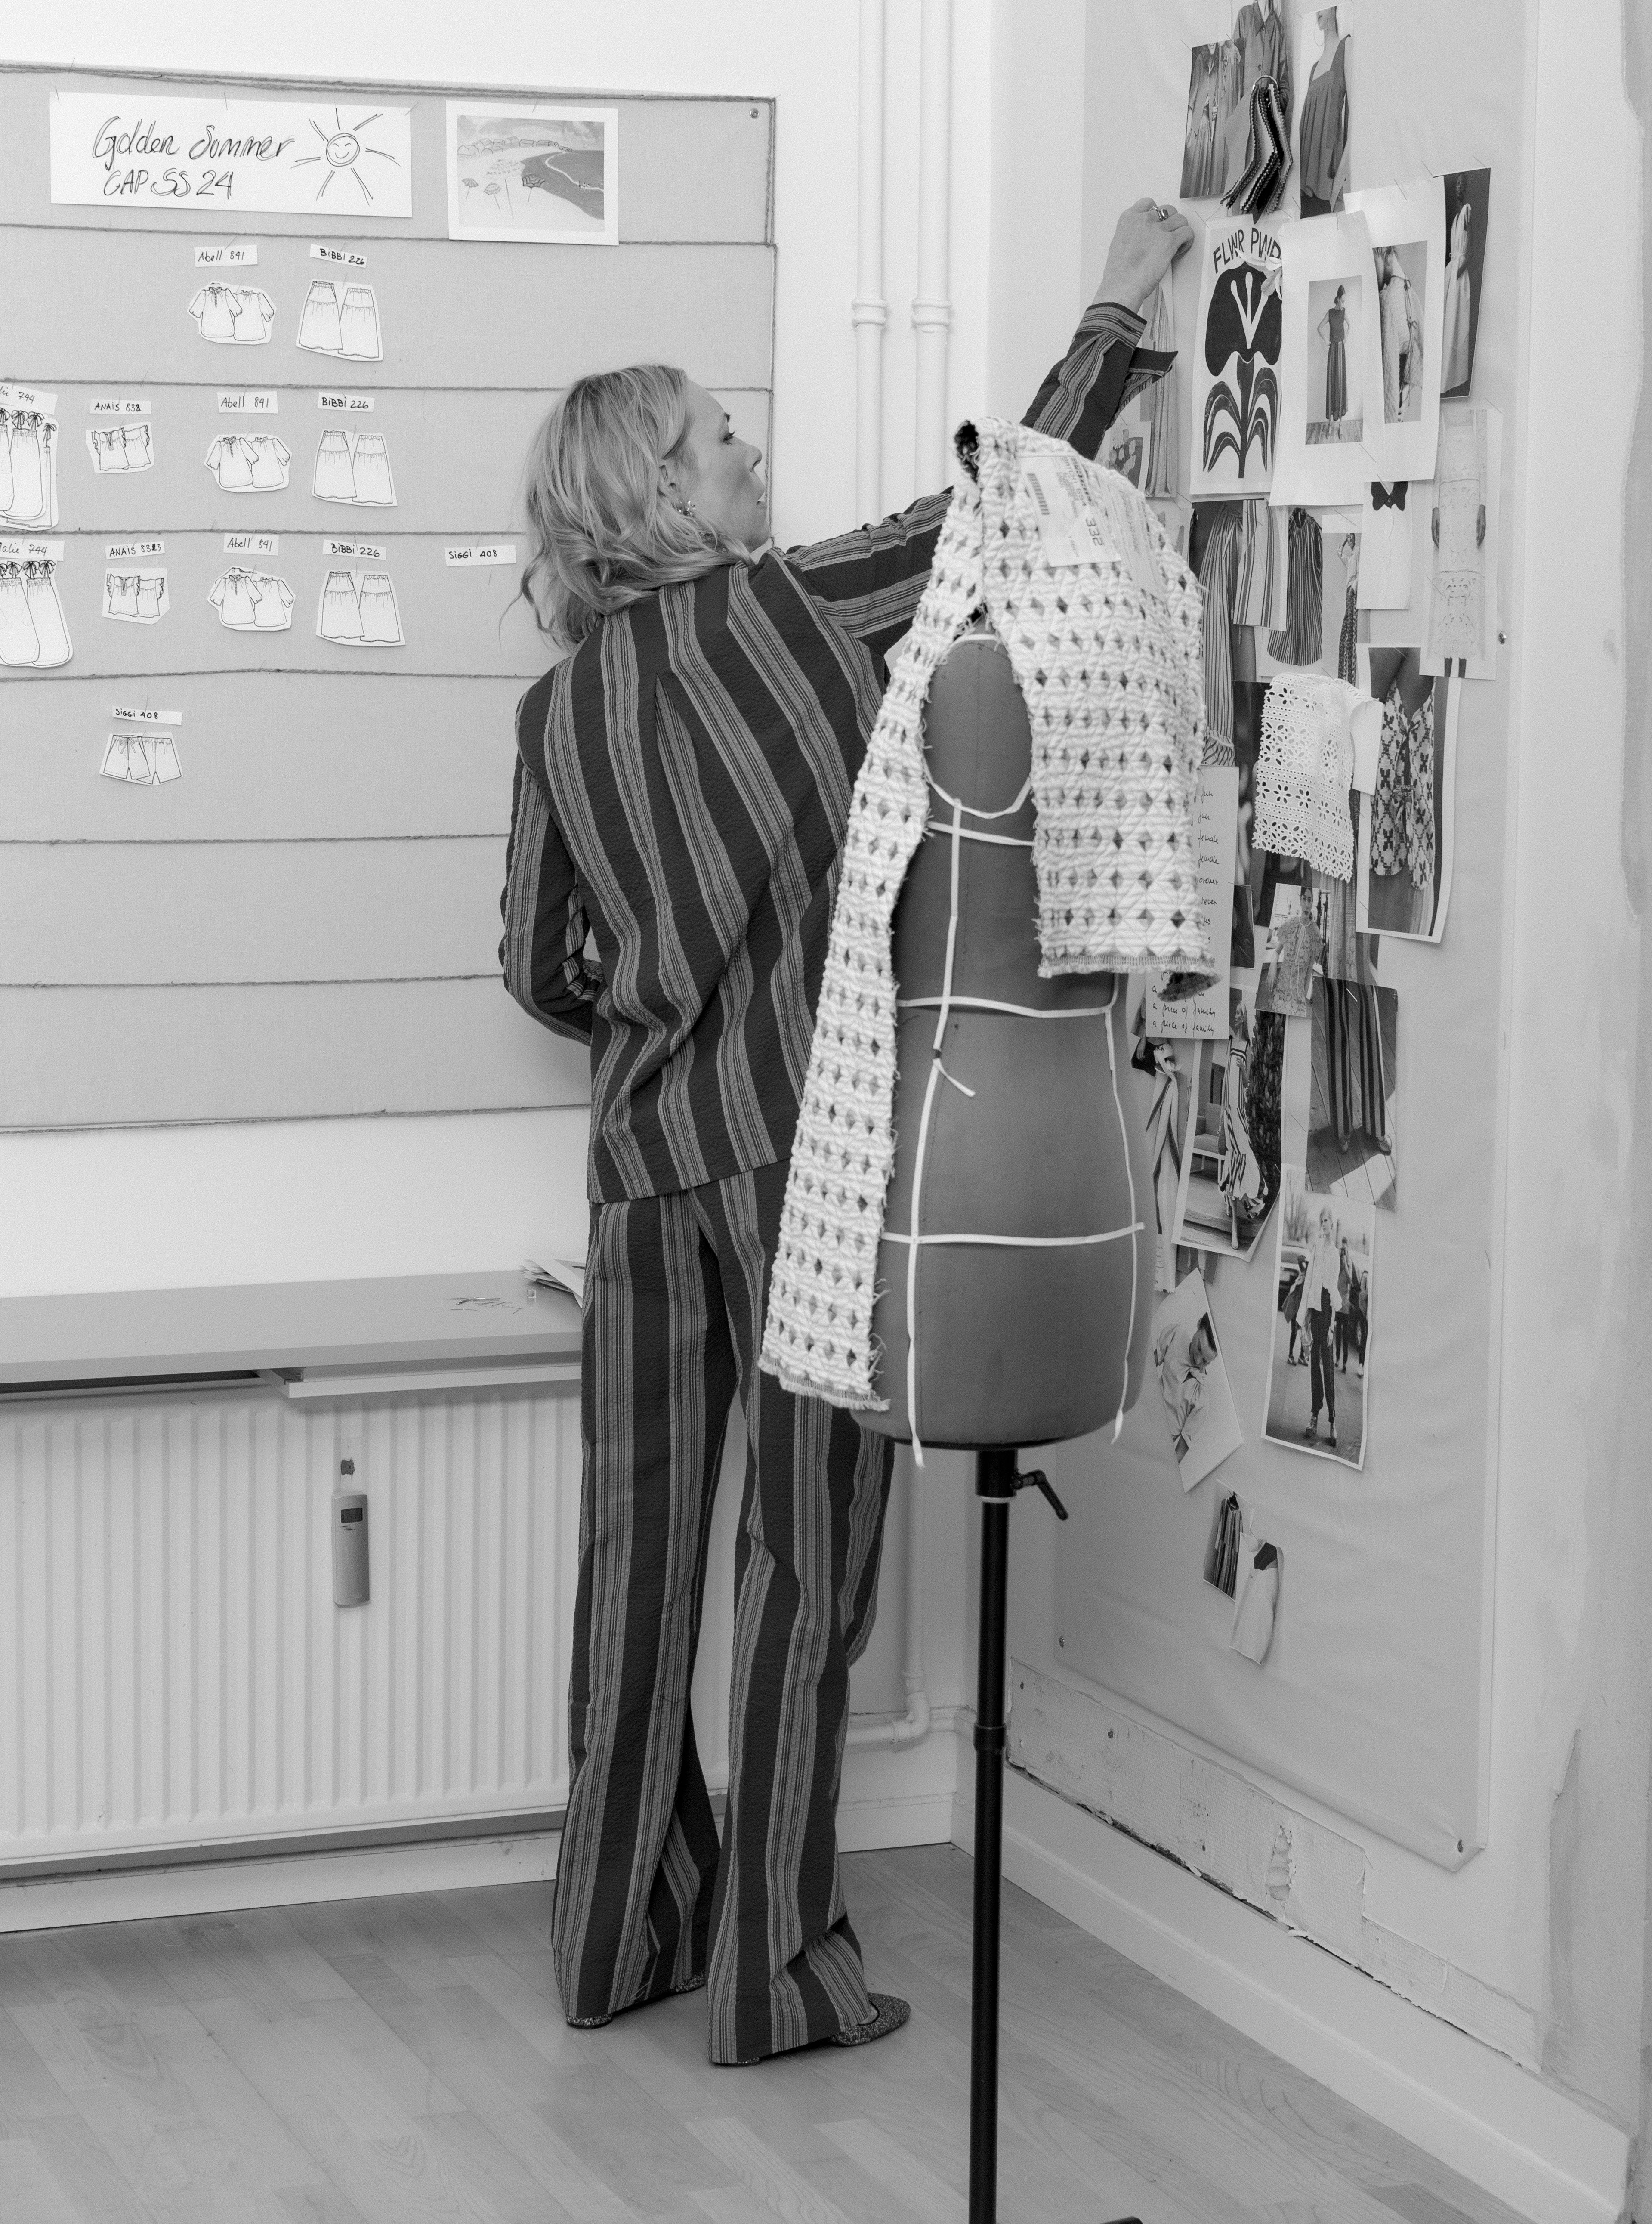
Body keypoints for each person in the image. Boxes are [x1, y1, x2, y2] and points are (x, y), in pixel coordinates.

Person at [499, 198, 1195, 2069]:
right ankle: (777, 1969)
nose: (750, 449)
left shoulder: (556, 711)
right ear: (664, 485)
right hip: (814, 1173)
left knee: (635, 1561)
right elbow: (1008, 496)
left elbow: (536, 966)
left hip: (645, 1181)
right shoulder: (809, 601)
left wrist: (652, 1014)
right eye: (721, 435)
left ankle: (620, 1935)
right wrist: (1121, 306)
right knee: (803, 1567)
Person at [1301, 1203, 1343, 1446]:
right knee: (1314, 1365)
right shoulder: (1317, 1247)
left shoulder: (1335, 1254)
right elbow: (1310, 1282)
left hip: (1328, 1308)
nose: (1324, 1225)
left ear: (1332, 1224)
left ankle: (1333, 1420)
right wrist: (1307, 1314)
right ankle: (1314, 1415)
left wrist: (1331, 1328)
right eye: (1322, 1221)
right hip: (1316, 1306)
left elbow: (1334, 1291)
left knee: (1327, 1367)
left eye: (1327, 1221)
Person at [1156, 1307, 1219, 1463]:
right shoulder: (1176, 1335)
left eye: (1206, 1362)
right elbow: (1146, 1369)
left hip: (1160, 1445)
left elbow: (1179, 1454)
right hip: (1143, 1413)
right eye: (1199, 1348)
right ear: (1198, 1325)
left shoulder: (1202, 1399)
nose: (1198, 1361)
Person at [1442, 193, 1474, 390]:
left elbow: (1472, 247)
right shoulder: (1455, 218)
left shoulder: (1467, 211)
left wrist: (1461, 269)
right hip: (1451, 270)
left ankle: (1457, 375)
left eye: (1462, 184)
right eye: (1457, 184)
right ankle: (1444, 371)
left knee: (1458, 322)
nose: (1459, 187)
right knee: (1447, 321)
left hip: (1459, 272)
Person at [1319, 284, 1349, 426]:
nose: (1344, 303)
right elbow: (1319, 328)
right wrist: (1325, 339)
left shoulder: (1344, 313)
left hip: (1341, 350)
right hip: (1333, 352)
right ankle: (1331, 423)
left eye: (1345, 301)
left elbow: (1351, 325)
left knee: (1341, 381)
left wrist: (1346, 338)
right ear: (1338, 299)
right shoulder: (1331, 313)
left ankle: (1341, 422)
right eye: (1343, 300)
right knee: (1332, 381)